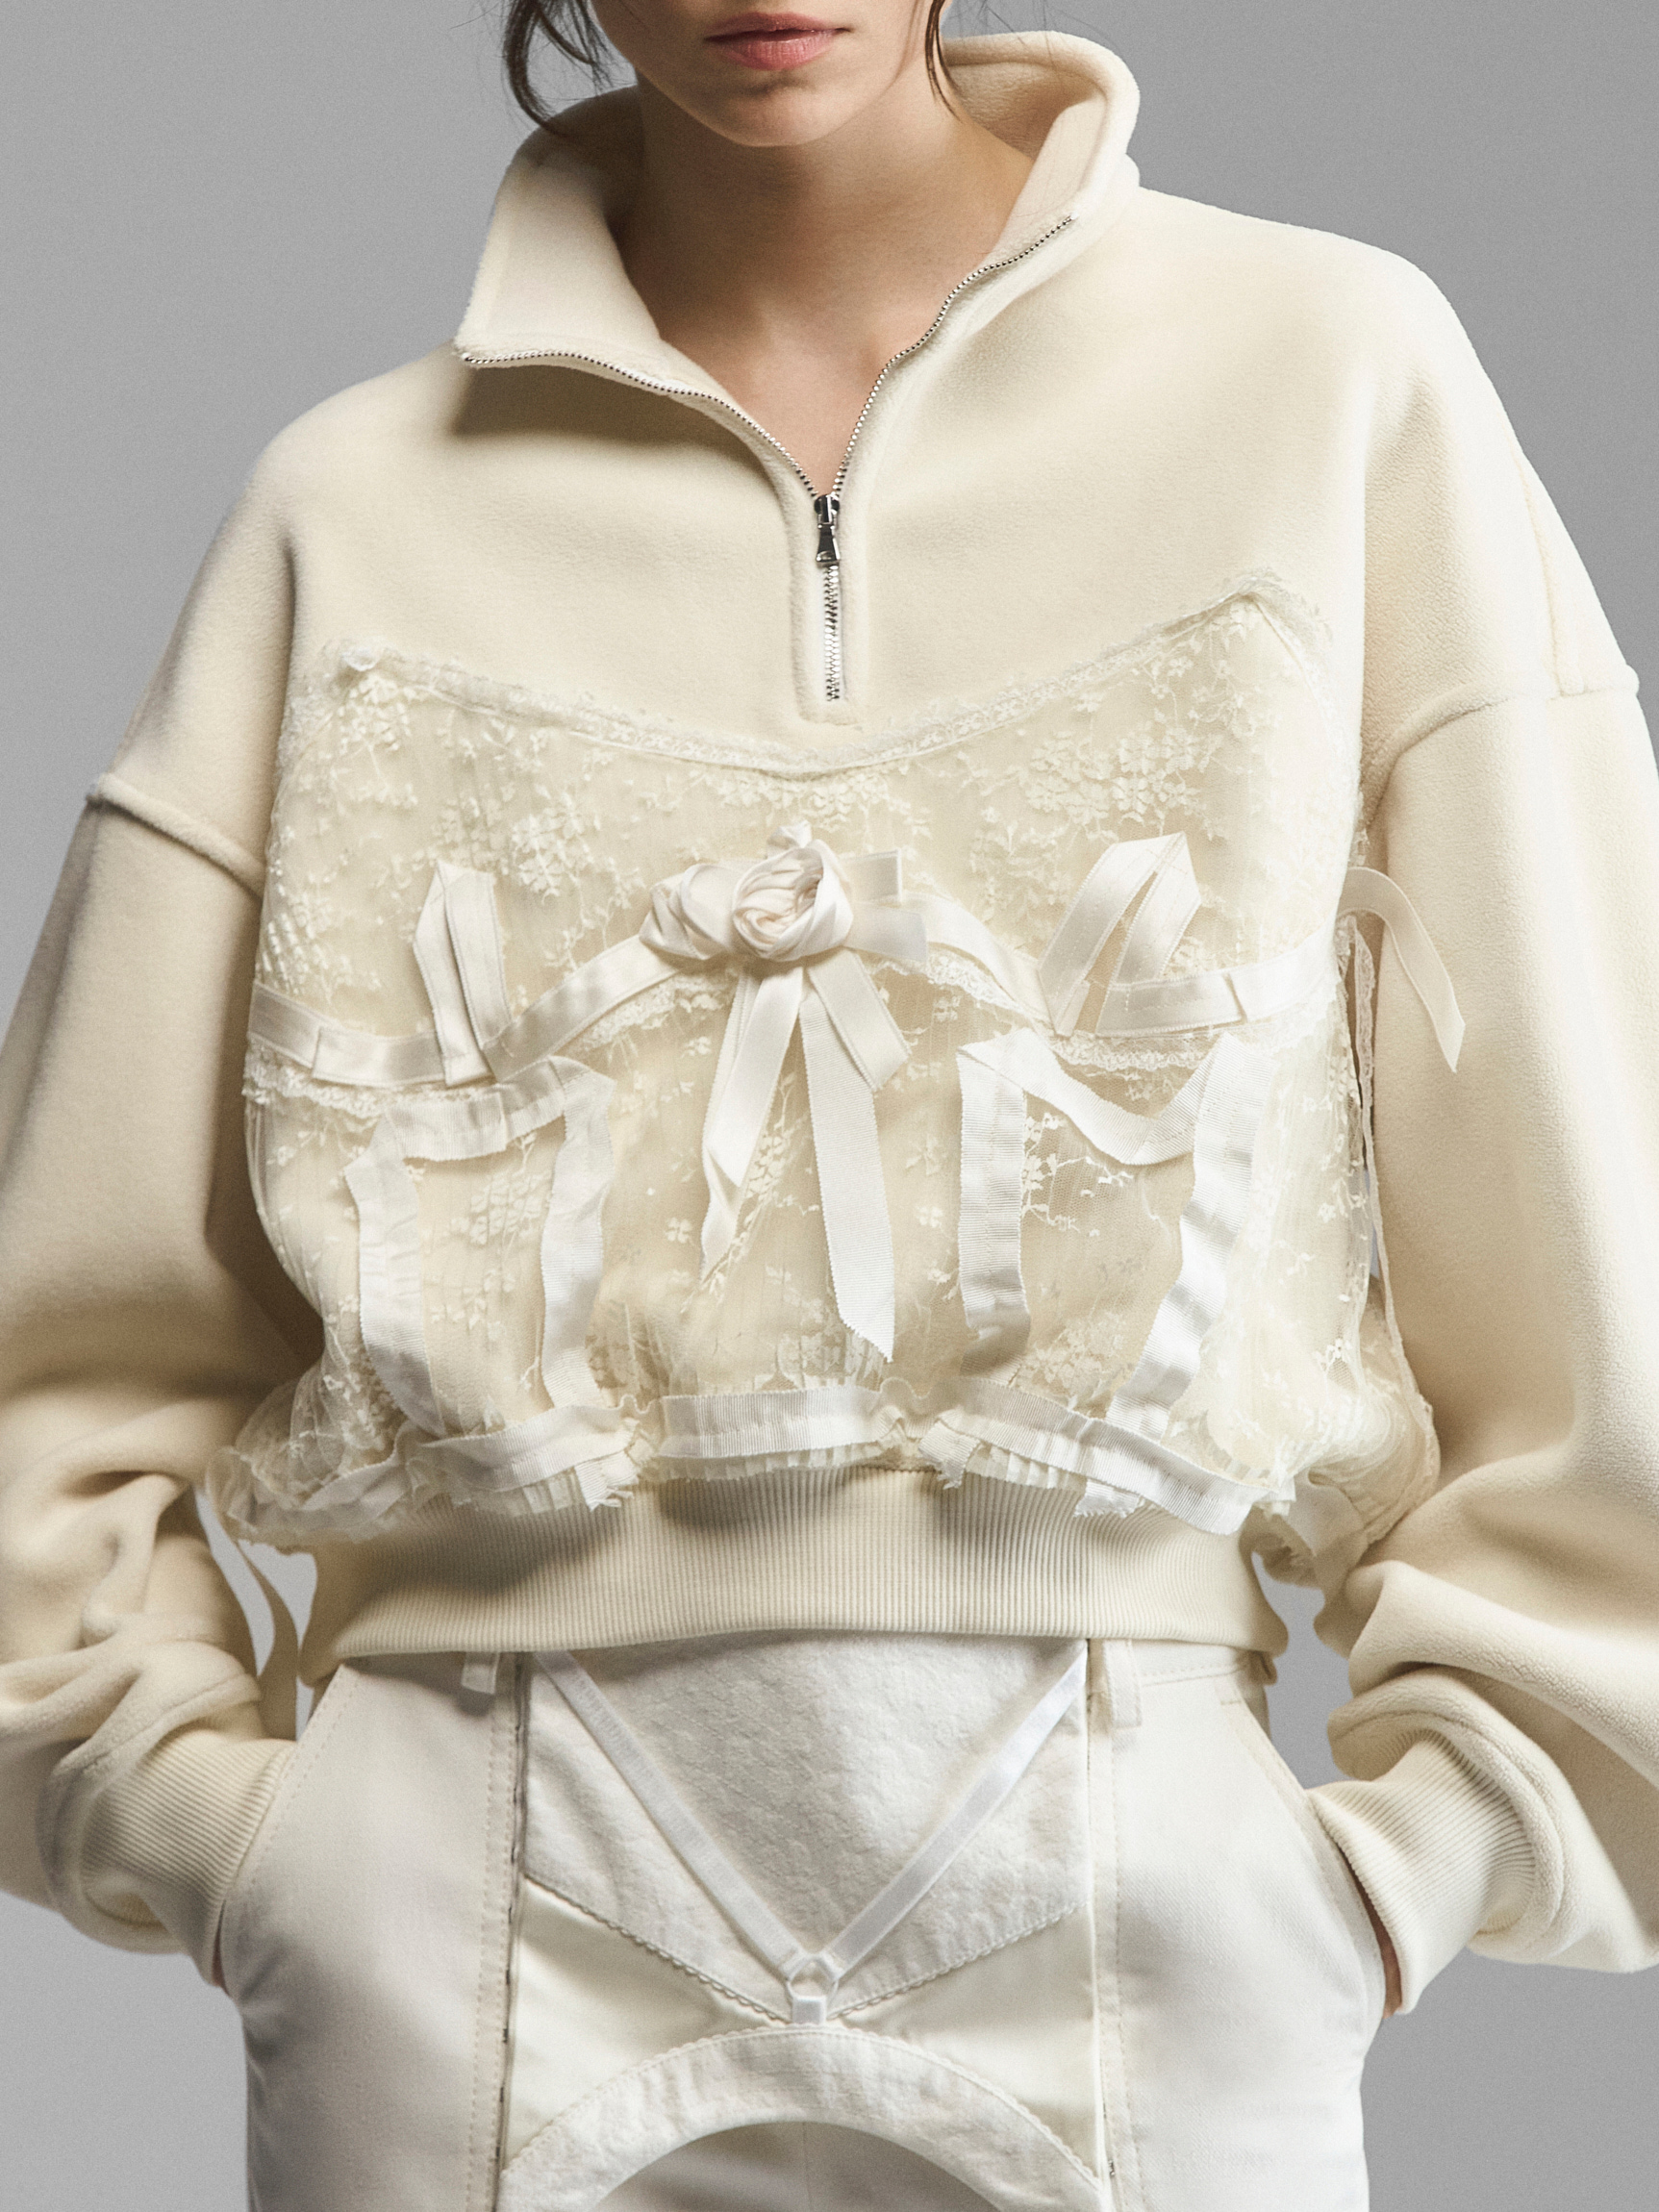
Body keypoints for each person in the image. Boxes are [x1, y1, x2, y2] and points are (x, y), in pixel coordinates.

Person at [1, 1, 1656, 2205]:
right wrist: (226, 1840)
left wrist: (1407, 1864)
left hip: (1134, 1907)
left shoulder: (1329, 381)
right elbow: (58, 1347)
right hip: (460, 1927)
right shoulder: (352, 511)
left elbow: (1580, 1193)